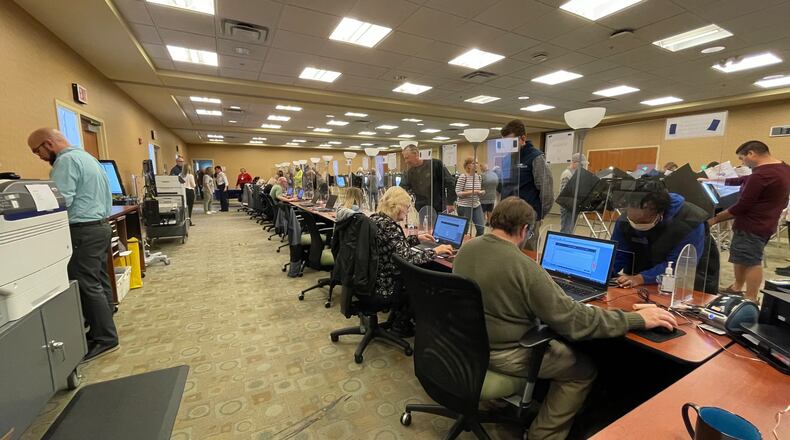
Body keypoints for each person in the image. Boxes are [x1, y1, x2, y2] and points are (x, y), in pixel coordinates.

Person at [452, 197, 677, 440]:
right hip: (503, 354)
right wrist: (637, 319)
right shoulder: (524, 267)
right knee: (582, 370)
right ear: (525, 229)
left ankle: (499, 403)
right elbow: (574, 320)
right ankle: (543, 436)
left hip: (468, 346)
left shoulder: (467, 249)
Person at [27, 128, 120, 362]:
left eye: (37, 151)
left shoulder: (66, 162)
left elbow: (60, 201)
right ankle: (104, 323)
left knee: (87, 283)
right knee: (99, 278)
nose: (38, 156)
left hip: (83, 231)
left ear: (47, 144)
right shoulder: (88, 158)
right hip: (100, 226)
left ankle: (105, 337)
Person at [706, 141, 790, 299]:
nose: (742, 162)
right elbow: (745, 180)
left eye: (742, 158)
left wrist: (715, 219)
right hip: (767, 222)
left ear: (752, 154)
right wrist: (714, 181)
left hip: (751, 225)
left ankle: (750, 297)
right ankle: (737, 287)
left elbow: (741, 206)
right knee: (742, 257)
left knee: (751, 261)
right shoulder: (783, 168)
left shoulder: (760, 175)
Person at [610, 189, 719, 293]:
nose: (637, 225)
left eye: (643, 221)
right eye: (632, 221)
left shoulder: (690, 222)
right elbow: (619, 253)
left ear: (660, 213)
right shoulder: (625, 219)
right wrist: (606, 273)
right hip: (641, 272)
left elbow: (680, 264)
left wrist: (641, 278)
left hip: (686, 279)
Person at [370, 187, 453, 300]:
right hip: (388, 284)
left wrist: (417, 239)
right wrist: (436, 251)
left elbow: (394, 245)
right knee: (433, 272)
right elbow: (407, 258)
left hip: (378, 277)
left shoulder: (377, 219)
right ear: (397, 206)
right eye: (407, 206)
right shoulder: (389, 226)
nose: (408, 210)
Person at [500, 120, 553, 249]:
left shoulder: (535, 158)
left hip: (528, 218)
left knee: (527, 254)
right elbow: (504, 189)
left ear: (523, 138)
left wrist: (537, 216)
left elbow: (547, 193)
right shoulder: (506, 159)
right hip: (508, 218)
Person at [400, 144, 457, 220]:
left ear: (416, 154)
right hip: (421, 209)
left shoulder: (436, 165)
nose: (406, 161)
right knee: (425, 230)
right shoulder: (409, 172)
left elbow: (450, 183)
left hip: (438, 207)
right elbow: (402, 188)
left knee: (438, 230)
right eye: (405, 159)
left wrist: (450, 202)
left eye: (407, 158)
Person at [455, 157, 485, 237]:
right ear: (468, 165)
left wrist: (480, 193)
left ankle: (476, 245)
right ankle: (460, 247)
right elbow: (458, 192)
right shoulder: (463, 177)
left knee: (481, 228)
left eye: (477, 163)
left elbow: (477, 190)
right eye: (473, 163)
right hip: (464, 206)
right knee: (464, 230)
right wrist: (474, 192)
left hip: (476, 205)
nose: (476, 165)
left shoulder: (478, 177)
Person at [558, 153, 587, 234]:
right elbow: (565, 192)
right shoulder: (567, 173)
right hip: (567, 206)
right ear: (574, 162)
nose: (582, 166)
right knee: (566, 230)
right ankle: (563, 244)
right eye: (580, 164)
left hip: (574, 205)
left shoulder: (576, 173)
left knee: (570, 230)